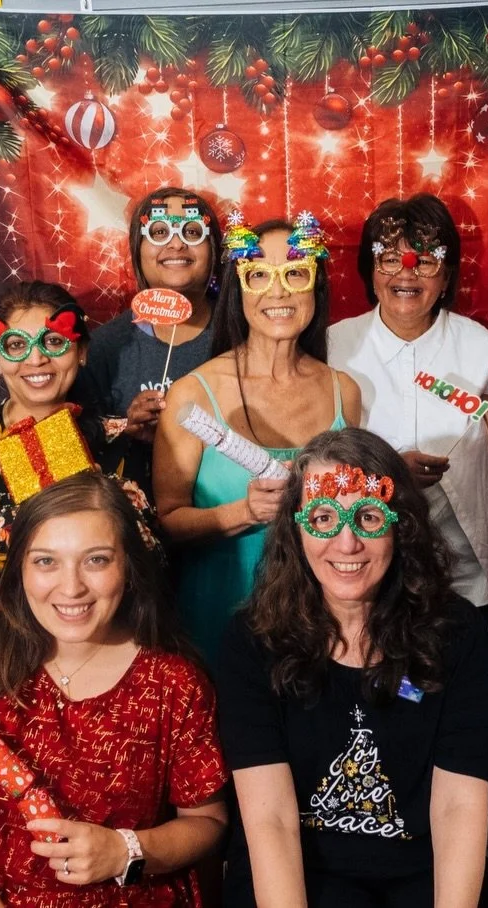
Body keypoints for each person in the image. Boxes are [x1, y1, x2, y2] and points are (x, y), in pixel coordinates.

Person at [0, 472, 228, 906]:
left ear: (129, 567)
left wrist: (125, 851)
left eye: (96, 560)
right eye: (46, 561)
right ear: (19, 566)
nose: (71, 586)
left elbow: (206, 822)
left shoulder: (174, 682)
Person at [217, 428, 488, 908]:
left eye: (367, 517)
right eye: (324, 518)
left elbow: (457, 807)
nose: (347, 545)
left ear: (399, 525)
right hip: (297, 884)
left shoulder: (457, 633)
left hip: (423, 884)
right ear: (296, 528)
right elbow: (271, 820)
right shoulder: (252, 642)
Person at [154, 213, 361, 663]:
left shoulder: (344, 391)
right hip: (218, 616)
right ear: (238, 288)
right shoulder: (194, 393)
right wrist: (243, 512)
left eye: (295, 273)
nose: (279, 291)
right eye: (259, 275)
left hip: (319, 624)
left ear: (315, 286)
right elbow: (164, 523)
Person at [0, 281, 156, 614]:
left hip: (95, 639)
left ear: (82, 352)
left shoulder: (122, 442)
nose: (36, 359)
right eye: (15, 345)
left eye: (54, 342)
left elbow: (152, 576)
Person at [329, 194, 488, 612]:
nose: (407, 272)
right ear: (370, 268)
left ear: (447, 272)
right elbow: (315, 469)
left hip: (468, 582)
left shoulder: (482, 349)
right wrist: (391, 473)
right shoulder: (333, 348)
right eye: (389, 258)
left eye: (425, 260)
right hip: (361, 580)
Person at [80, 188, 224, 499]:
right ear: (137, 249)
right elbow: (84, 445)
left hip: (227, 513)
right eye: (159, 231)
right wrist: (126, 428)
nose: (176, 242)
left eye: (192, 231)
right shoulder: (107, 346)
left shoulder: (241, 334)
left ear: (213, 249)